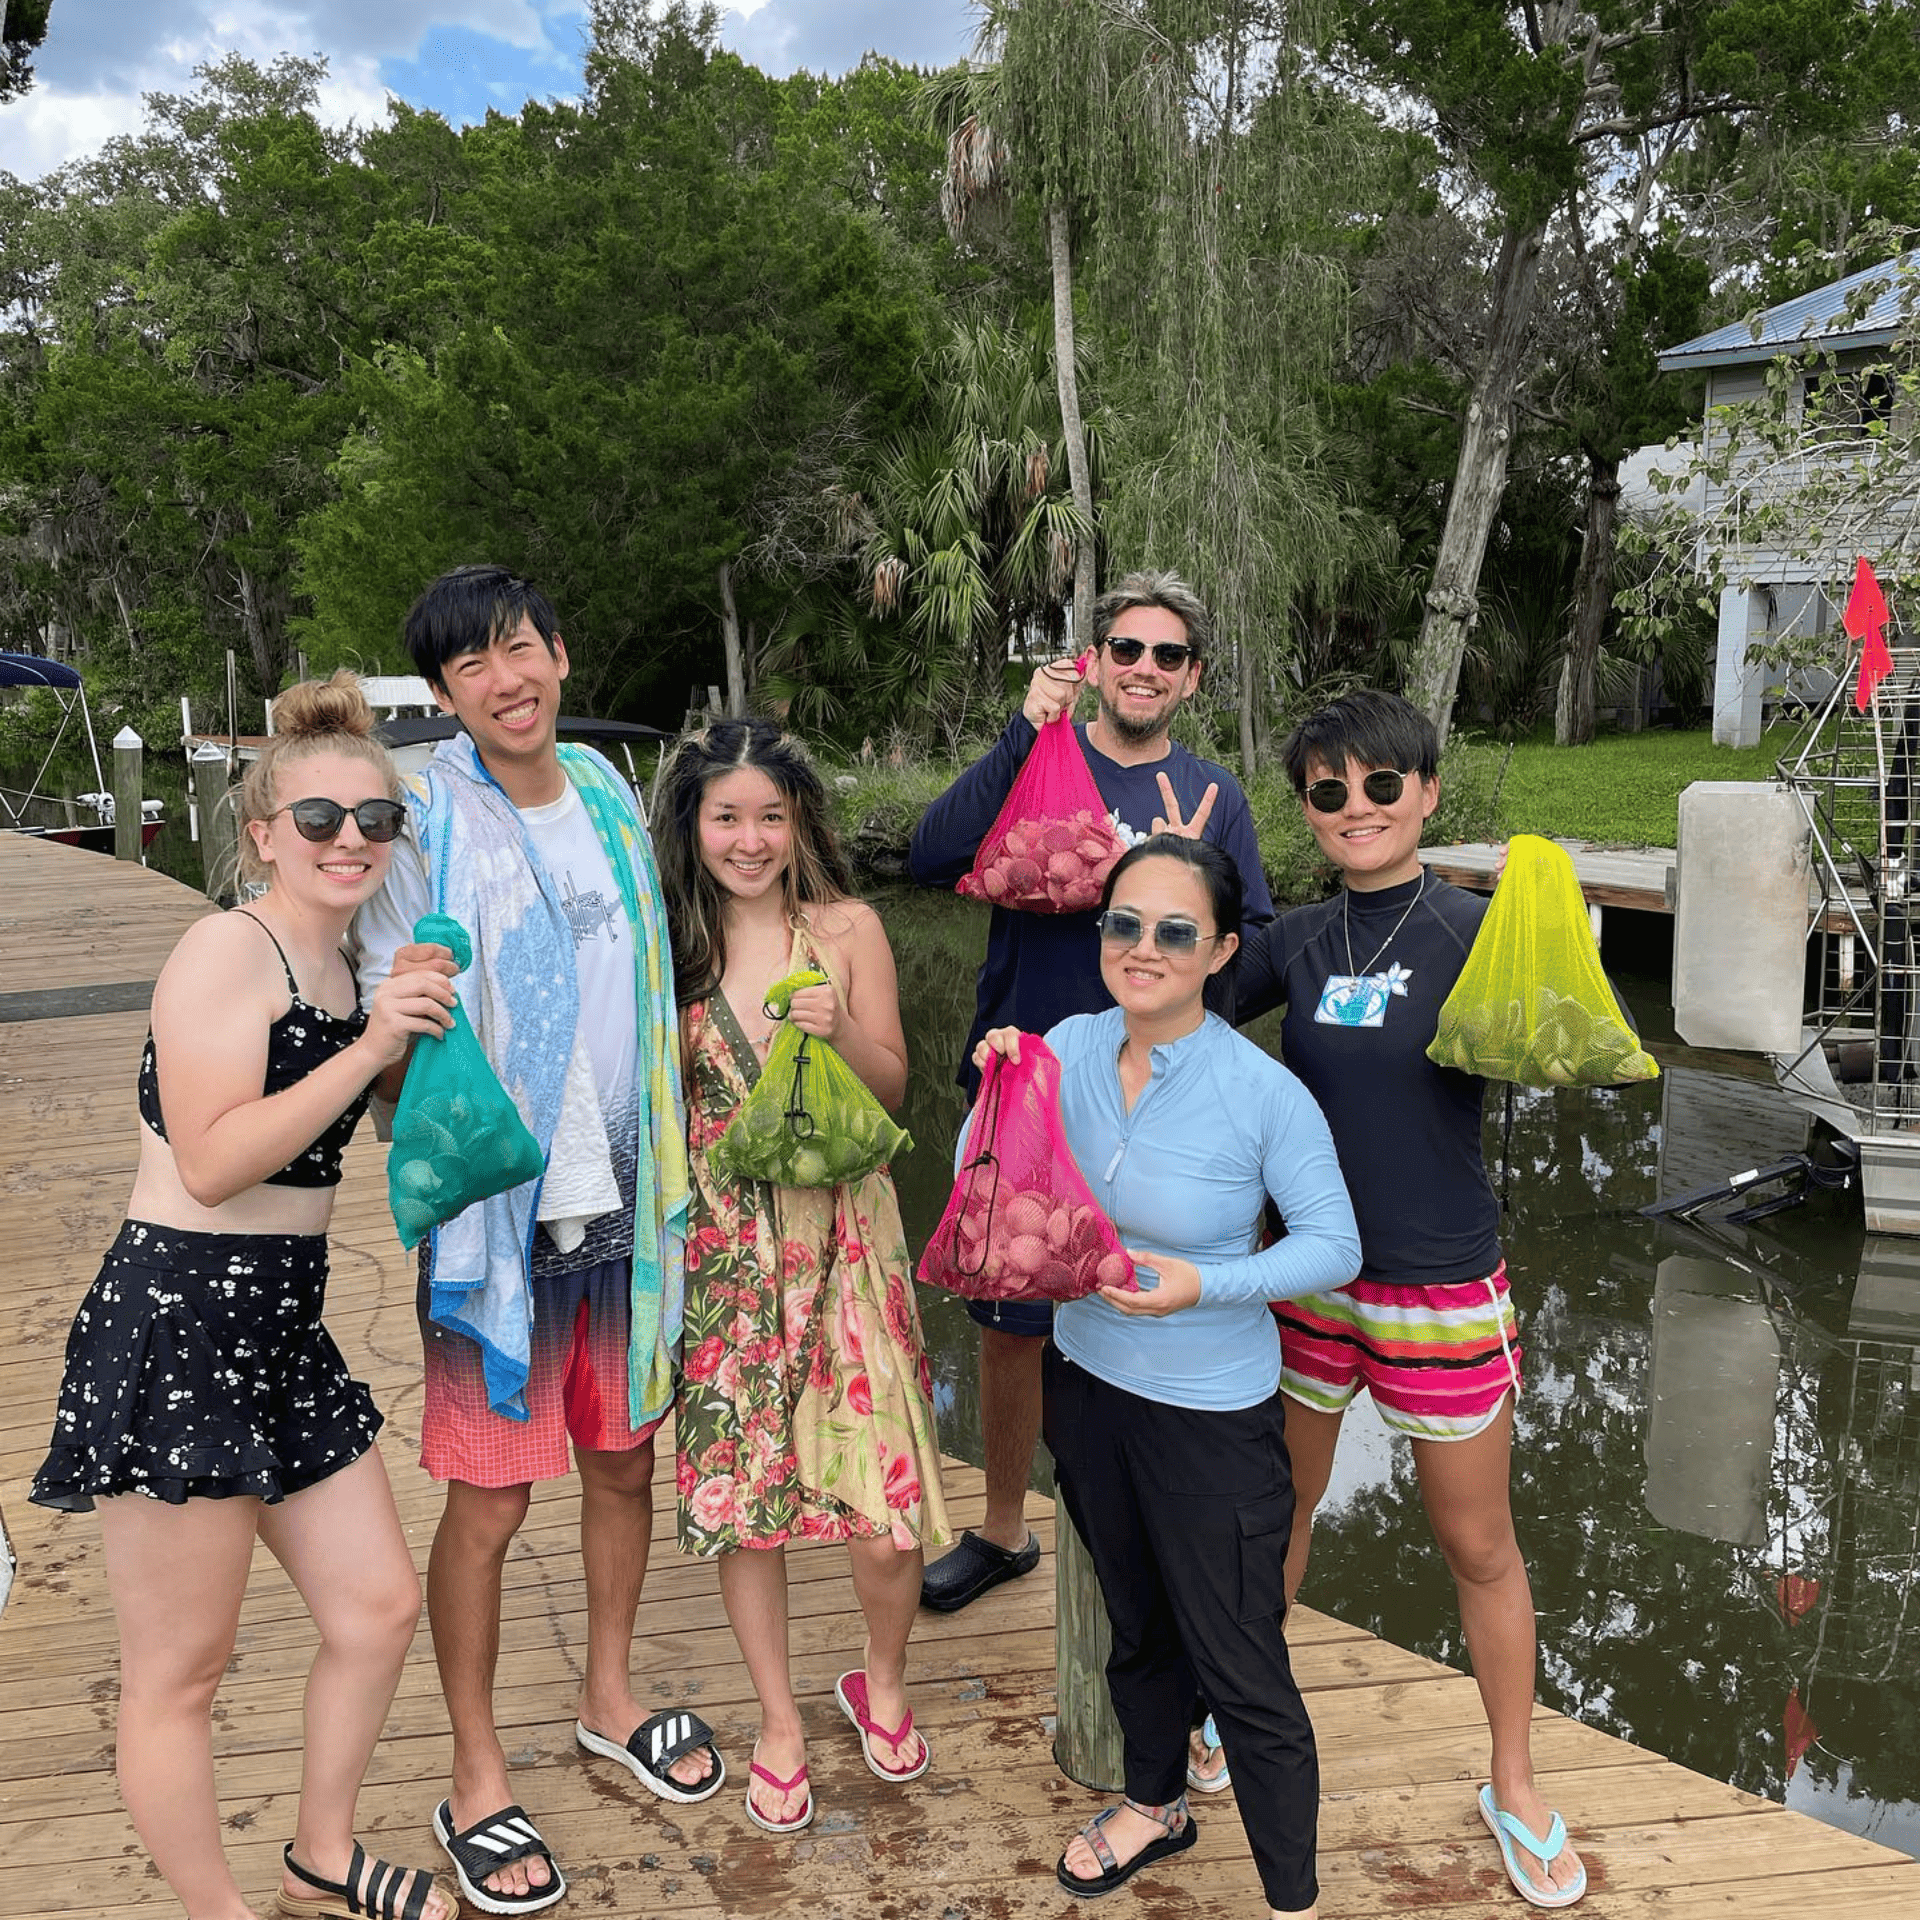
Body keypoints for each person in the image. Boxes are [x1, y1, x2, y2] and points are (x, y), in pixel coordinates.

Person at [31, 674, 461, 1920]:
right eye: (318, 821)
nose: (349, 843)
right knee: (181, 1670)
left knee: (377, 1606)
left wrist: (413, 1059)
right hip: (179, 1320)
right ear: (263, 831)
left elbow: (344, 1125)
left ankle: (321, 1854)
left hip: (281, 1324)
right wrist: (375, 1051)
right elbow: (216, 1161)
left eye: (375, 824)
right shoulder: (232, 946)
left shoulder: (350, 965)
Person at [354, 566, 713, 1916]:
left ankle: (607, 1692)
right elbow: (383, 989)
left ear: (559, 655)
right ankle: (475, 1769)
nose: (503, 681)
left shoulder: (613, 795)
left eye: (518, 651)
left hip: (624, 1203)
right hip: (499, 1220)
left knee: (624, 1463)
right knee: (492, 1501)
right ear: (444, 698)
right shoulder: (425, 817)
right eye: (469, 670)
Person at [1217, 689, 1588, 1909]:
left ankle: (1516, 1781)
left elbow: (1569, 1038)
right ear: (1308, 813)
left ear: (1427, 794)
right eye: (1329, 791)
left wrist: (1554, 920)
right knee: (1283, 1507)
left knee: (1479, 1544)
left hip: (1440, 1281)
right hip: (1309, 1274)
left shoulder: (1479, 929)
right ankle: (1242, 1708)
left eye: (1383, 785)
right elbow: (1173, 998)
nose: (1357, 808)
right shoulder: (1298, 942)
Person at [974, 834, 1357, 1918]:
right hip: (1087, 1383)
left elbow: (1334, 1247)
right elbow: (1008, 1183)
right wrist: (1002, 1085)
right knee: (1134, 1617)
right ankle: (1155, 1803)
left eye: (1174, 930)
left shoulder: (1260, 1091)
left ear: (1220, 949)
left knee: (1242, 1667)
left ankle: (1293, 1900)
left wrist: (1208, 1283)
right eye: (1124, 925)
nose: (1144, 948)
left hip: (1210, 1412)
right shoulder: (1067, 1046)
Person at [907, 570, 1274, 1613]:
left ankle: (1140, 1541)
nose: (1144, 669)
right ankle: (1004, 1529)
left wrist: (1161, 874)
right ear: (1094, 661)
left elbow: (1250, 954)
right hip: (1022, 1080)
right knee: (1011, 1318)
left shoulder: (1210, 799)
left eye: (1167, 655)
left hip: (1155, 1094)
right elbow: (932, 853)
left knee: (1146, 1305)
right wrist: (1023, 736)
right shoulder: (1041, 757)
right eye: (1126, 649)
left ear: (1192, 678)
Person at [655, 719, 950, 1834]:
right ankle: (778, 1720)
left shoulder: (848, 928)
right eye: (726, 816)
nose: (749, 838)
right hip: (726, 1261)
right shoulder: (669, 950)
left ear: (799, 822)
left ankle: (881, 1675)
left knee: (887, 1522)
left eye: (769, 816)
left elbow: (891, 1091)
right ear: (694, 824)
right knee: (751, 1512)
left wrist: (834, 1031)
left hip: (846, 1249)